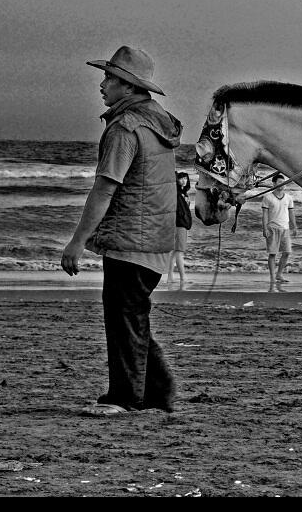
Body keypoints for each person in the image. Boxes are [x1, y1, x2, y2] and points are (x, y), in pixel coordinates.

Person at [61, 45, 183, 416]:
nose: (102, 85)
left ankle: (125, 397)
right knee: (133, 314)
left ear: (128, 87)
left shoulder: (126, 126)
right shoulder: (159, 121)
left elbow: (105, 187)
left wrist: (77, 241)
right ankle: (158, 393)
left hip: (131, 238)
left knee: (124, 316)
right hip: (157, 237)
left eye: (109, 78)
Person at [261, 172, 297, 290]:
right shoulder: (268, 197)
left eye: (284, 183)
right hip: (272, 228)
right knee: (273, 253)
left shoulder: (289, 198)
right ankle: (272, 277)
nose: (283, 185)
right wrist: (264, 228)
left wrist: (294, 226)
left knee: (287, 252)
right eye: (280, 182)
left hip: (285, 228)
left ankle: (279, 274)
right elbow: (265, 214)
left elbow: (291, 213)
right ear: (274, 183)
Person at [166, 171, 192, 289]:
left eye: (185, 179)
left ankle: (170, 277)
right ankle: (183, 277)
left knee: (174, 252)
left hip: (180, 224)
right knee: (179, 252)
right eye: (181, 178)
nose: (184, 181)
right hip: (179, 224)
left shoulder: (184, 193)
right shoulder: (176, 193)